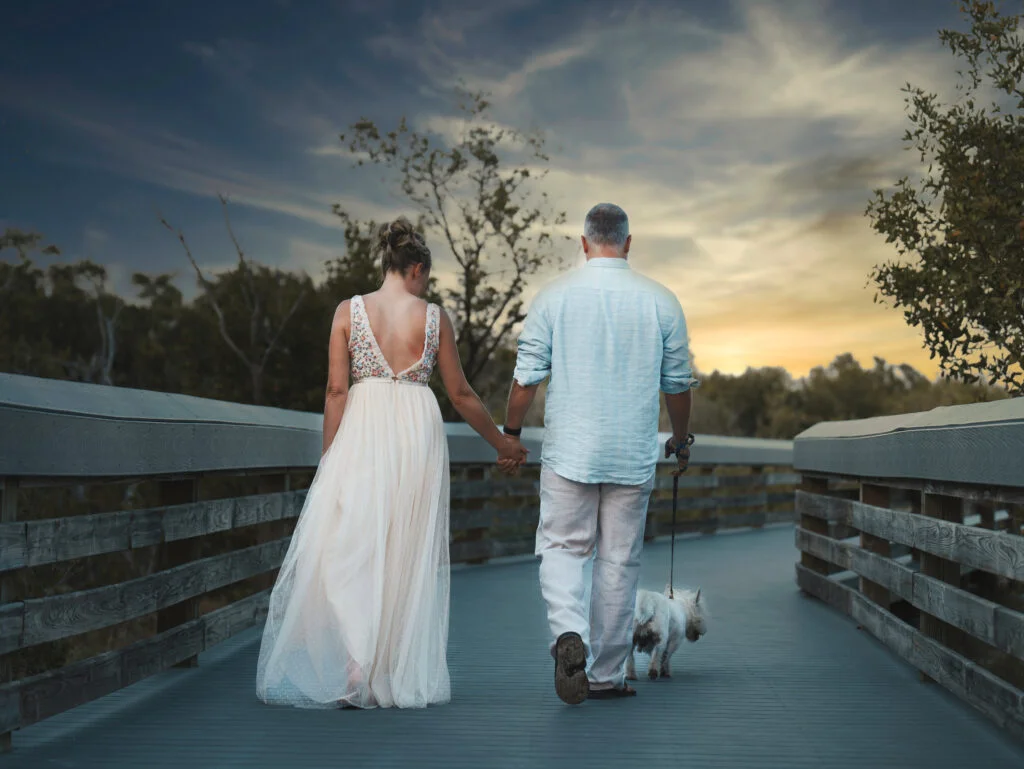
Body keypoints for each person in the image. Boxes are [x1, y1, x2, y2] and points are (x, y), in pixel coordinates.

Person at [256, 217, 527, 710]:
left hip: (362, 429)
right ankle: (383, 668)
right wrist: (502, 444)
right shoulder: (434, 318)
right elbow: (462, 395)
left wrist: (329, 458)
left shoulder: (348, 311)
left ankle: (356, 664)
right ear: (417, 269)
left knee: (351, 543)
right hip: (416, 432)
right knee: (402, 545)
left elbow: (336, 390)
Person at [501, 203, 698, 704]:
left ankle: (569, 634)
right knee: (618, 561)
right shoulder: (662, 300)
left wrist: (511, 432)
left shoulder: (554, 297)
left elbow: (525, 379)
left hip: (570, 450)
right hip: (632, 454)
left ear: (584, 243)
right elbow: (677, 383)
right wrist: (679, 438)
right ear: (628, 243)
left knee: (563, 548)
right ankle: (608, 675)